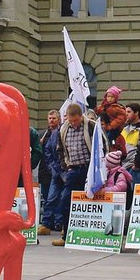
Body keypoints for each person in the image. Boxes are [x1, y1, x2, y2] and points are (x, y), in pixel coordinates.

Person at [51, 102, 96, 247]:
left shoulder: (91, 126)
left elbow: (102, 145)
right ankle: (66, 235)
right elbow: (60, 151)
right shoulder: (63, 129)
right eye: (71, 121)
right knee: (65, 201)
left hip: (89, 169)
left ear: (80, 117)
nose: (74, 123)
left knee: (92, 201)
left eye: (76, 120)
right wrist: (65, 168)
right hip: (73, 169)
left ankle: (92, 234)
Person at [38, 110, 65, 236]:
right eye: (50, 118)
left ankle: (59, 223)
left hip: (62, 170)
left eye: (54, 118)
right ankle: (47, 223)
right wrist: (51, 166)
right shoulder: (44, 134)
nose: (51, 120)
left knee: (60, 198)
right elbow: (46, 151)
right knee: (49, 198)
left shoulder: (62, 131)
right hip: (48, 170)